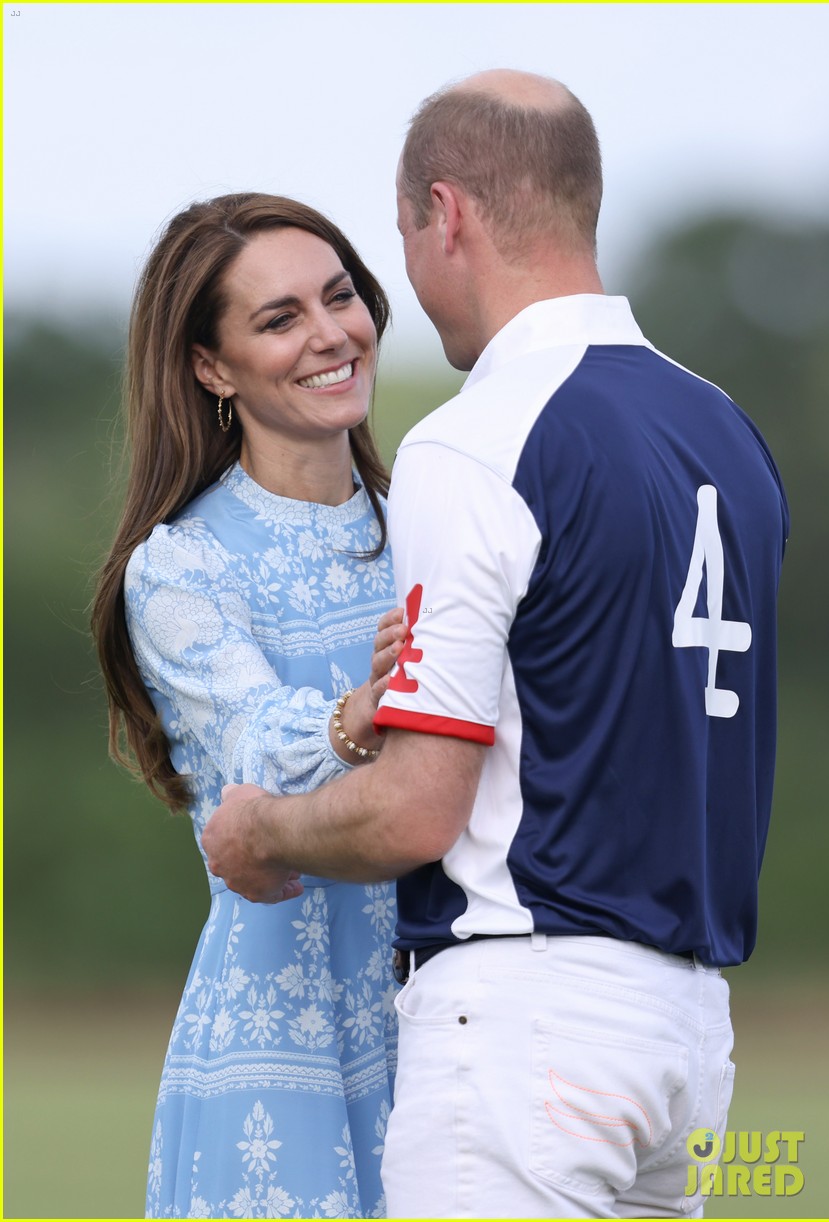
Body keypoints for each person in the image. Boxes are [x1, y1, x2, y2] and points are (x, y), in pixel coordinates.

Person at [201, 72, 790, 1219]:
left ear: (446, 213)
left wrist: (259, 830)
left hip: (530, 1024)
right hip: (692, 1041)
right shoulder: (728, 430)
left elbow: (419, 809)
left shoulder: (478, 438)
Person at [90, 192, 408, 1219]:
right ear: (211, 367)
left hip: (450, 1028)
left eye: (339, 297)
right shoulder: (180, 567)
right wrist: (370, 708)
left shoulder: (437, 527)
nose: (329, 334)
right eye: (279, 318)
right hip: (275, 1046)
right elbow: (258, 749)